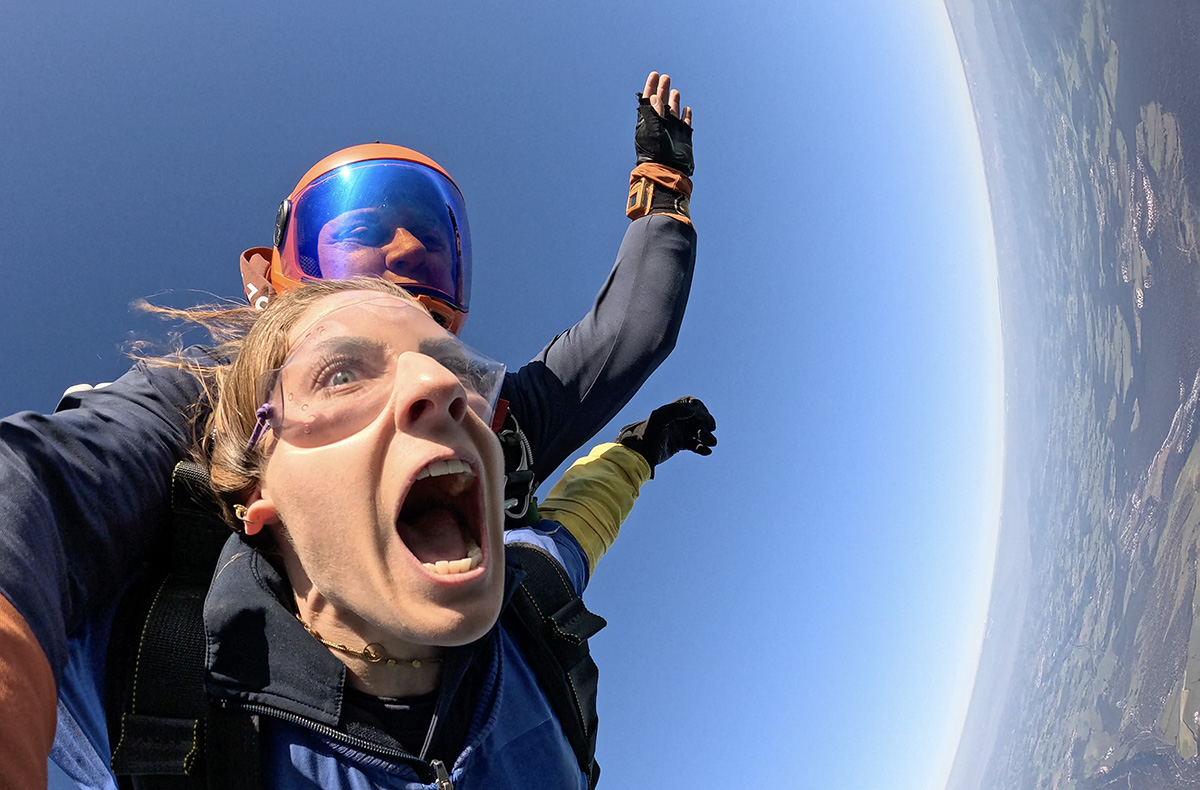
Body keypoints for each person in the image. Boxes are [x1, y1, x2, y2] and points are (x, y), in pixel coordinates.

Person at [0, 71, 697, 788]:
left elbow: (626, 342)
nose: (397, 253)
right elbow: (47, 486)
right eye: (361, 233)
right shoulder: (208, 404)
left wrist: (662, 194)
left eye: (424, 240)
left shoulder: (490, 442)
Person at [45, 278, 716, 788]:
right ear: (257, 491)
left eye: (455, 370)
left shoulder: (531, 594)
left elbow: (577, 517)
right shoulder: (135, 681)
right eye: (341, 375)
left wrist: (639, 449)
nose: (438, 385)